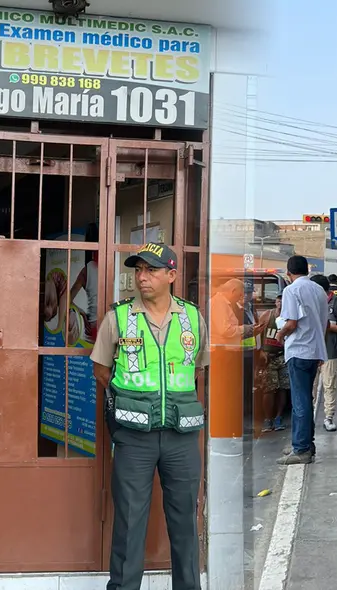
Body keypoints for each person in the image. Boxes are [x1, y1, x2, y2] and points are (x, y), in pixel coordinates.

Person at [91, 242, 209, 590]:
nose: (142, 277)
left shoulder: (192, 318)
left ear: (171, 275)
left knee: (185, 522)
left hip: (182, 437)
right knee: (129, 521)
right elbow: (102, 371)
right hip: (133, 437)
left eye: (151, 270)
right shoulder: (120, 317)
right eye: (138, 270)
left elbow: (197, 370)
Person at [276, 255, 328, 465]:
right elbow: (323, 323)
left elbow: (291, 323)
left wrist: (280, 335)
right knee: (306, 399)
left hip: (298, 350)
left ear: (289, 273)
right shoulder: (319, 290)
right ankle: (306, 443)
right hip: (315, 350)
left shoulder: (291, 290)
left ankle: (302, 448)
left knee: (300, 402)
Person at [310, 274, 337, 432]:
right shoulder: (309, 303)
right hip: (311, 351)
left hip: (330, 351)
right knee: (311, 386)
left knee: (329, 385)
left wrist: (328, 327)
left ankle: (328, 416)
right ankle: (311, 416)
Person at [257, 295, 288, 432]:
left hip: (284, 356)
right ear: (275, 302)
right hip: (268, 356)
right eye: (278, 300)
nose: (280, 303)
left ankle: (278, 417)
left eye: (283, 300)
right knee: (268, 389)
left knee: (283, 388)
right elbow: (257, 332)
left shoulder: (289, 318)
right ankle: (267, 419)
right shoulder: (267, 315)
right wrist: (261, 351)